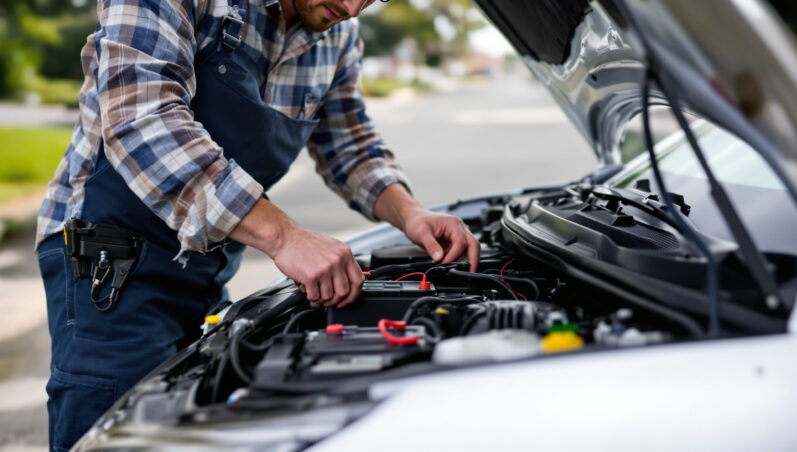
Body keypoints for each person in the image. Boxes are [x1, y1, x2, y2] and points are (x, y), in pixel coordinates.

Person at [35, 0, 480, 449]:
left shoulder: (337, 37)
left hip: (206, 265)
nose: (351, 7)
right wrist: (285, 236)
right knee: (123, 434)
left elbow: (350, 146)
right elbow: (141, 118)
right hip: (112, 261)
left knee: (196, 430)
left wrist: (411, 213)